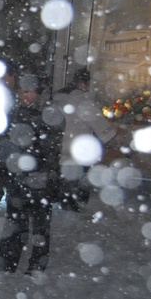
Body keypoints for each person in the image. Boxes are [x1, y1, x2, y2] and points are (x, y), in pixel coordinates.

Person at [0, 68, 63, 275]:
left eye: (31, 91)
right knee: (15, 222)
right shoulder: (14, 112)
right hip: (18, 177)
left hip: (38, 177)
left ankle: (36, 264)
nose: (28, 96)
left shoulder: (48, 114)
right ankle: (8, 260)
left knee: (40, 226)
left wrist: (42, 172)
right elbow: (4, 143)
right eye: (24, 92)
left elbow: (51, 148)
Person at [53, 68, 117, 211]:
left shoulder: (58, 97)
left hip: (60, 146)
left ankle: (64, 198)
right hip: (78, 146)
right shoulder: (81, 100)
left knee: (66, 175)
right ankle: (72, 201)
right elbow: (99, 123)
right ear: (83, 83)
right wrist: (112, 136)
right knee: (77, 176)